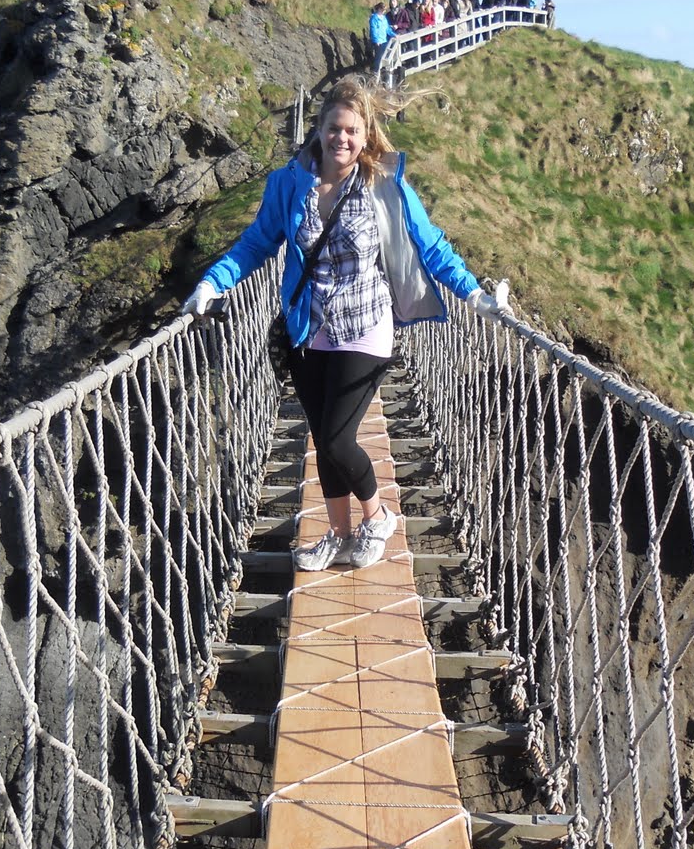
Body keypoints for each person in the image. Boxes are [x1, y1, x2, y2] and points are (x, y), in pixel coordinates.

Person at [181, 76, 506, 570]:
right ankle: (338, 533)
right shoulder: (288, 184)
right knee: (321, 437)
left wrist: (475, 294)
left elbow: (432, 245)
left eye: (353, 131)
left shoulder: (386, 187)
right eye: (335, 127)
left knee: (337, 437)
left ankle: (378, 516)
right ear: (319, 128)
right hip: (308, 330)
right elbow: (256, 244)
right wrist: (212, 283)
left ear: (366, 134)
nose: (343, 139)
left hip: (367, 327)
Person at [368, 1, 397, 70]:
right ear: (379, 9)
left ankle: (382, 72)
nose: (384, 11)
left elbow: (387, 28)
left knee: (384, 57)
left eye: (384, 10)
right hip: (378, 41)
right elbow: (373, 30)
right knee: (378, 58)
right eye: (383, 9)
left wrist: (394, 34)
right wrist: (376, 40)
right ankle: (376, 72)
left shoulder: (384, 18)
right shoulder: (374, 18)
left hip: (384, 40)